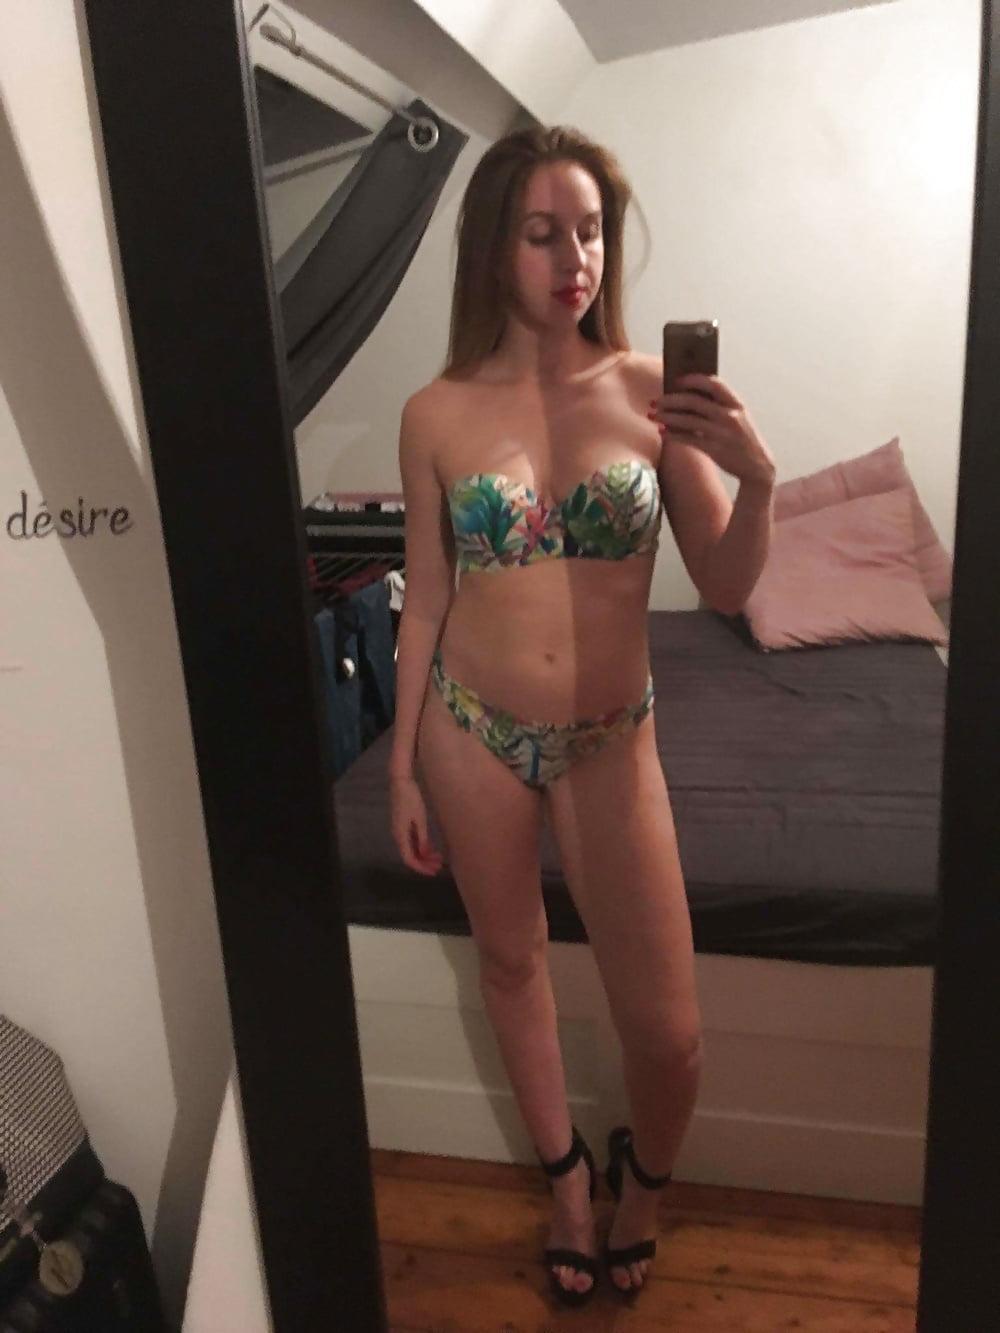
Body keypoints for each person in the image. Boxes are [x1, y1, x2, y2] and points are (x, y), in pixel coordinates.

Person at [388, 124, 776, 1307]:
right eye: (543, 233)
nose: (576, 260)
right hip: (470, 726)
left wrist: (758, 480)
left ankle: (640, 1188)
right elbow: (426, 597)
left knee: (670, 1034)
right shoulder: (435, 413)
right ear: (492, 248)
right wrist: (401, 766)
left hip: (611, 736)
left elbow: (724, 585)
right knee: (511, 963)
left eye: (593, 232)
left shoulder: (653, 394)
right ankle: (566, 1186)